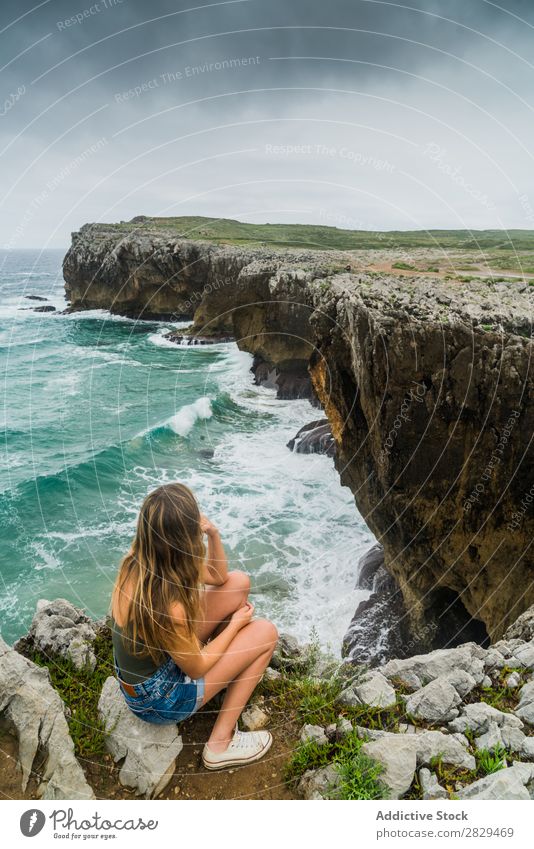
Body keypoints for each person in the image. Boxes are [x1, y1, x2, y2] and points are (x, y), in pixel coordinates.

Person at [110, 482, 278, 771]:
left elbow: (219, 575)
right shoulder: (169, 608)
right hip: (159, 700)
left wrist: (214, 534)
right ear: (184, 538)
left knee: (238, 583)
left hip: (155, 665)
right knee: (265, 633)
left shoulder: (138, 559)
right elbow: (197, 668)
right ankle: (219, 744)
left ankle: (225, 673)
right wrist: (234, 627)